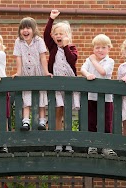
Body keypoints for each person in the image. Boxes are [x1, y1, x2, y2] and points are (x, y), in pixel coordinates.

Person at [44, 9, 80, 152]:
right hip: (57, 85)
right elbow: (46, 35)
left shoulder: (72, 48)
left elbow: (72, 60)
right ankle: (59, 141)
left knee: (68, 114)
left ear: (68, 36)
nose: (58, 36)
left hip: (69, 85)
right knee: (58, 112)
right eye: (56, 34)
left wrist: (65, 46)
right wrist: (51, 19)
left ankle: (68, 142)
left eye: (62, 34)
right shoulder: (52, 47)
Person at [12, 17, 52, 132]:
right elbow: (18, 58)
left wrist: (45, 72)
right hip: (26, 72)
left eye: (28, 28)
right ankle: (26, 121)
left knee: (41, 96)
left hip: (38, 71)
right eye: (23, 28)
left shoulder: (39, 41)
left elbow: (42, 57)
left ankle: (42, 121)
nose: (25, 31)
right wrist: (19, 72)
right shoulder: (18, 42)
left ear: (34, 30)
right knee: (26, 96)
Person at [80, 34, 116, 156]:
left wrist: (94, 60)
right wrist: (87, 74)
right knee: (91, 121)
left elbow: (103, 72)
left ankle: (106, 146)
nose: (100, 50)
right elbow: (82, 69)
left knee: (106, 121)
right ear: (93, 49)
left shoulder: (109, 61)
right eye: (97, 47)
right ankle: (92, 145)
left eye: (103, 47)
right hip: (92, 96)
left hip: (106, 98)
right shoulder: (88, 61)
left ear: (108, 49)